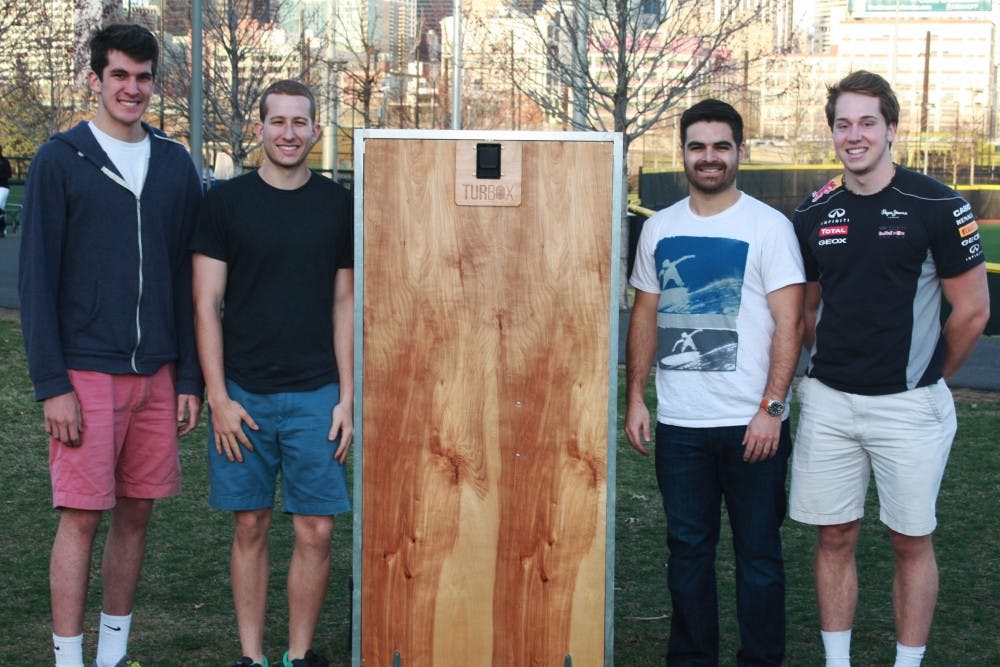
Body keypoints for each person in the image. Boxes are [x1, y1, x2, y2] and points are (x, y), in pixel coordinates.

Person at [17, 23, 203, 667]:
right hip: (84, 374)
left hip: (158, 372)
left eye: (144, 77)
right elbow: (36, 279)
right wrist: (52, 385)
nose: (133, 88)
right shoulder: (59, 159)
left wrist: (189, 379)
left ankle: (112, 654)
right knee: (81, 517)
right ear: (95, 80)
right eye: (119, 75)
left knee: (136, 514)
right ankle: (69, 657)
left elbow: (185, 276)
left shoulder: (176, 164)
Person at [789, 70, 990, 667]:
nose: (854, 135)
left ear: (891, 129)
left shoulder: (937, 204)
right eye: (843, 124)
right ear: (832, 133)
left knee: (910, 540)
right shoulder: (813, 210)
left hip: (909, 406)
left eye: (867, 123)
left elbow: (972, 312)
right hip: (828, 402)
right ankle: (838, 661)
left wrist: (931, 376)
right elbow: (805, 309)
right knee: (834, 536)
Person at [625, 99, 805, 666]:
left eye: (721, 146)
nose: (709, 157)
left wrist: (771, 409)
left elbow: (790, 323)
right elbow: (644, 316)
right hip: (681, 428)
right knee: (687, 556)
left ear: (739, 152)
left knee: (758, 558)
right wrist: (635, 397)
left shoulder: (769, 227)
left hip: (753, 425)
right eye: (698, 146)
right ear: (682, 153)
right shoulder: (659, 228)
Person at [191, 79, 354, 667]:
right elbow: (206, 304)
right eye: (277, 122)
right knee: (252, 525)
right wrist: (217, 397)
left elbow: (344, 303)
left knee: (317, 531)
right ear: (259, 128)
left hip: (316, 394)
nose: (289, 133)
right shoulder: (225, 203)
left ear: (315, 130)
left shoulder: (338, 205)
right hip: (244, 394)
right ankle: (252, 658)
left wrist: (346, 398)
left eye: (300, 122)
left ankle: (299, 655)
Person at [0, 144, 12, 237]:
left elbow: (9, 174)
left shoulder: (4, 161)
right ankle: (3, 229)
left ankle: (2, 229)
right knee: (2, 209)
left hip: (3, 187)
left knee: (0, 209)